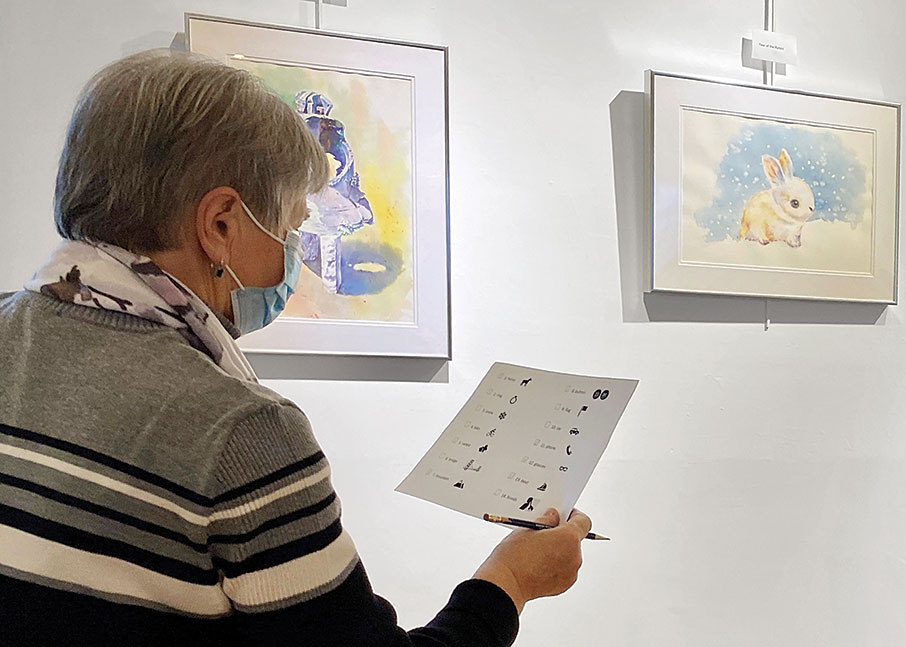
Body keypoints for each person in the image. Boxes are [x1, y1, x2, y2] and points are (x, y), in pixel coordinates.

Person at [0, 49, 593, 646]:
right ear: (221, 225)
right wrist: (510, 579)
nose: (292, 256)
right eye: (289, 227)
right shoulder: (239, 431)